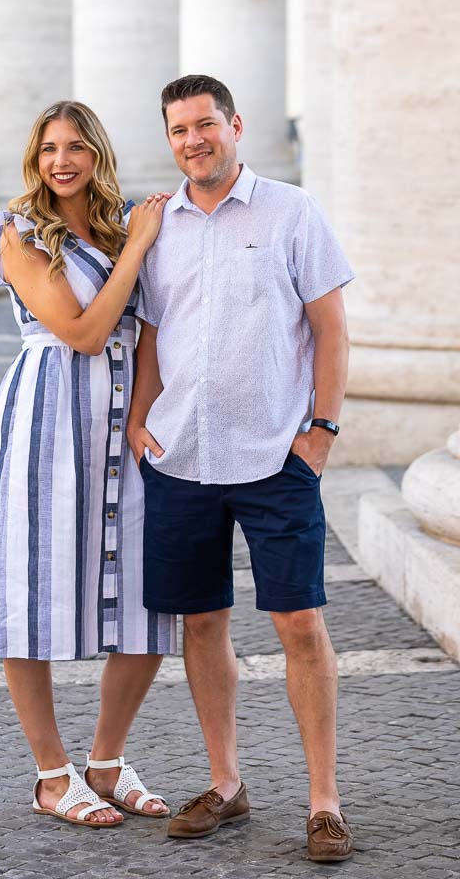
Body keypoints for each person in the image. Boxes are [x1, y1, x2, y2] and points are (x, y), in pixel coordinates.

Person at [126, 75, 355, 863]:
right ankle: (225, 784)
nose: (194, 140)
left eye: (205, 125)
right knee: (201, 622)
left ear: (234, 125)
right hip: (182, 457)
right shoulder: (157, 227)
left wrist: (321, 429)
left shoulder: (292, 212)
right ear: (170, 140)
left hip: (275, 457)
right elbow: (156, 334)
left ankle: (323, 801)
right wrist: (137, 418)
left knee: (298, 623)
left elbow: (329, 328)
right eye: (179, 130)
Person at [0, 100, 176, 829]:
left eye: (76, 147)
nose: (62, 160)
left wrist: (145, 416)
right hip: (45, 424)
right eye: (49, 148)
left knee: (147, 601)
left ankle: (106, 760)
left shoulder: (126, 225)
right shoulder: (20, 233)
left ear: (97, 153)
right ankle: (53, 776)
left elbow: (151, 329)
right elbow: (84, 332)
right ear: (36, 158)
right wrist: (138, 247)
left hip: (127, 429)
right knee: (31, 592)